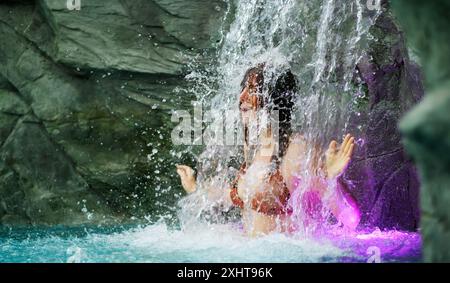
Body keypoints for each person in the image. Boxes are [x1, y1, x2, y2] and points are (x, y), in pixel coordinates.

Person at [176, 64, 360, 236]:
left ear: (274, 98)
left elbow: (351, 219)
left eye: (252, 90)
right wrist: (196, 188)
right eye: (243, 89)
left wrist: (328, 181)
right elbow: (236, 196)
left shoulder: (296, 150)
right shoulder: (258, 149)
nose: (242, 98)